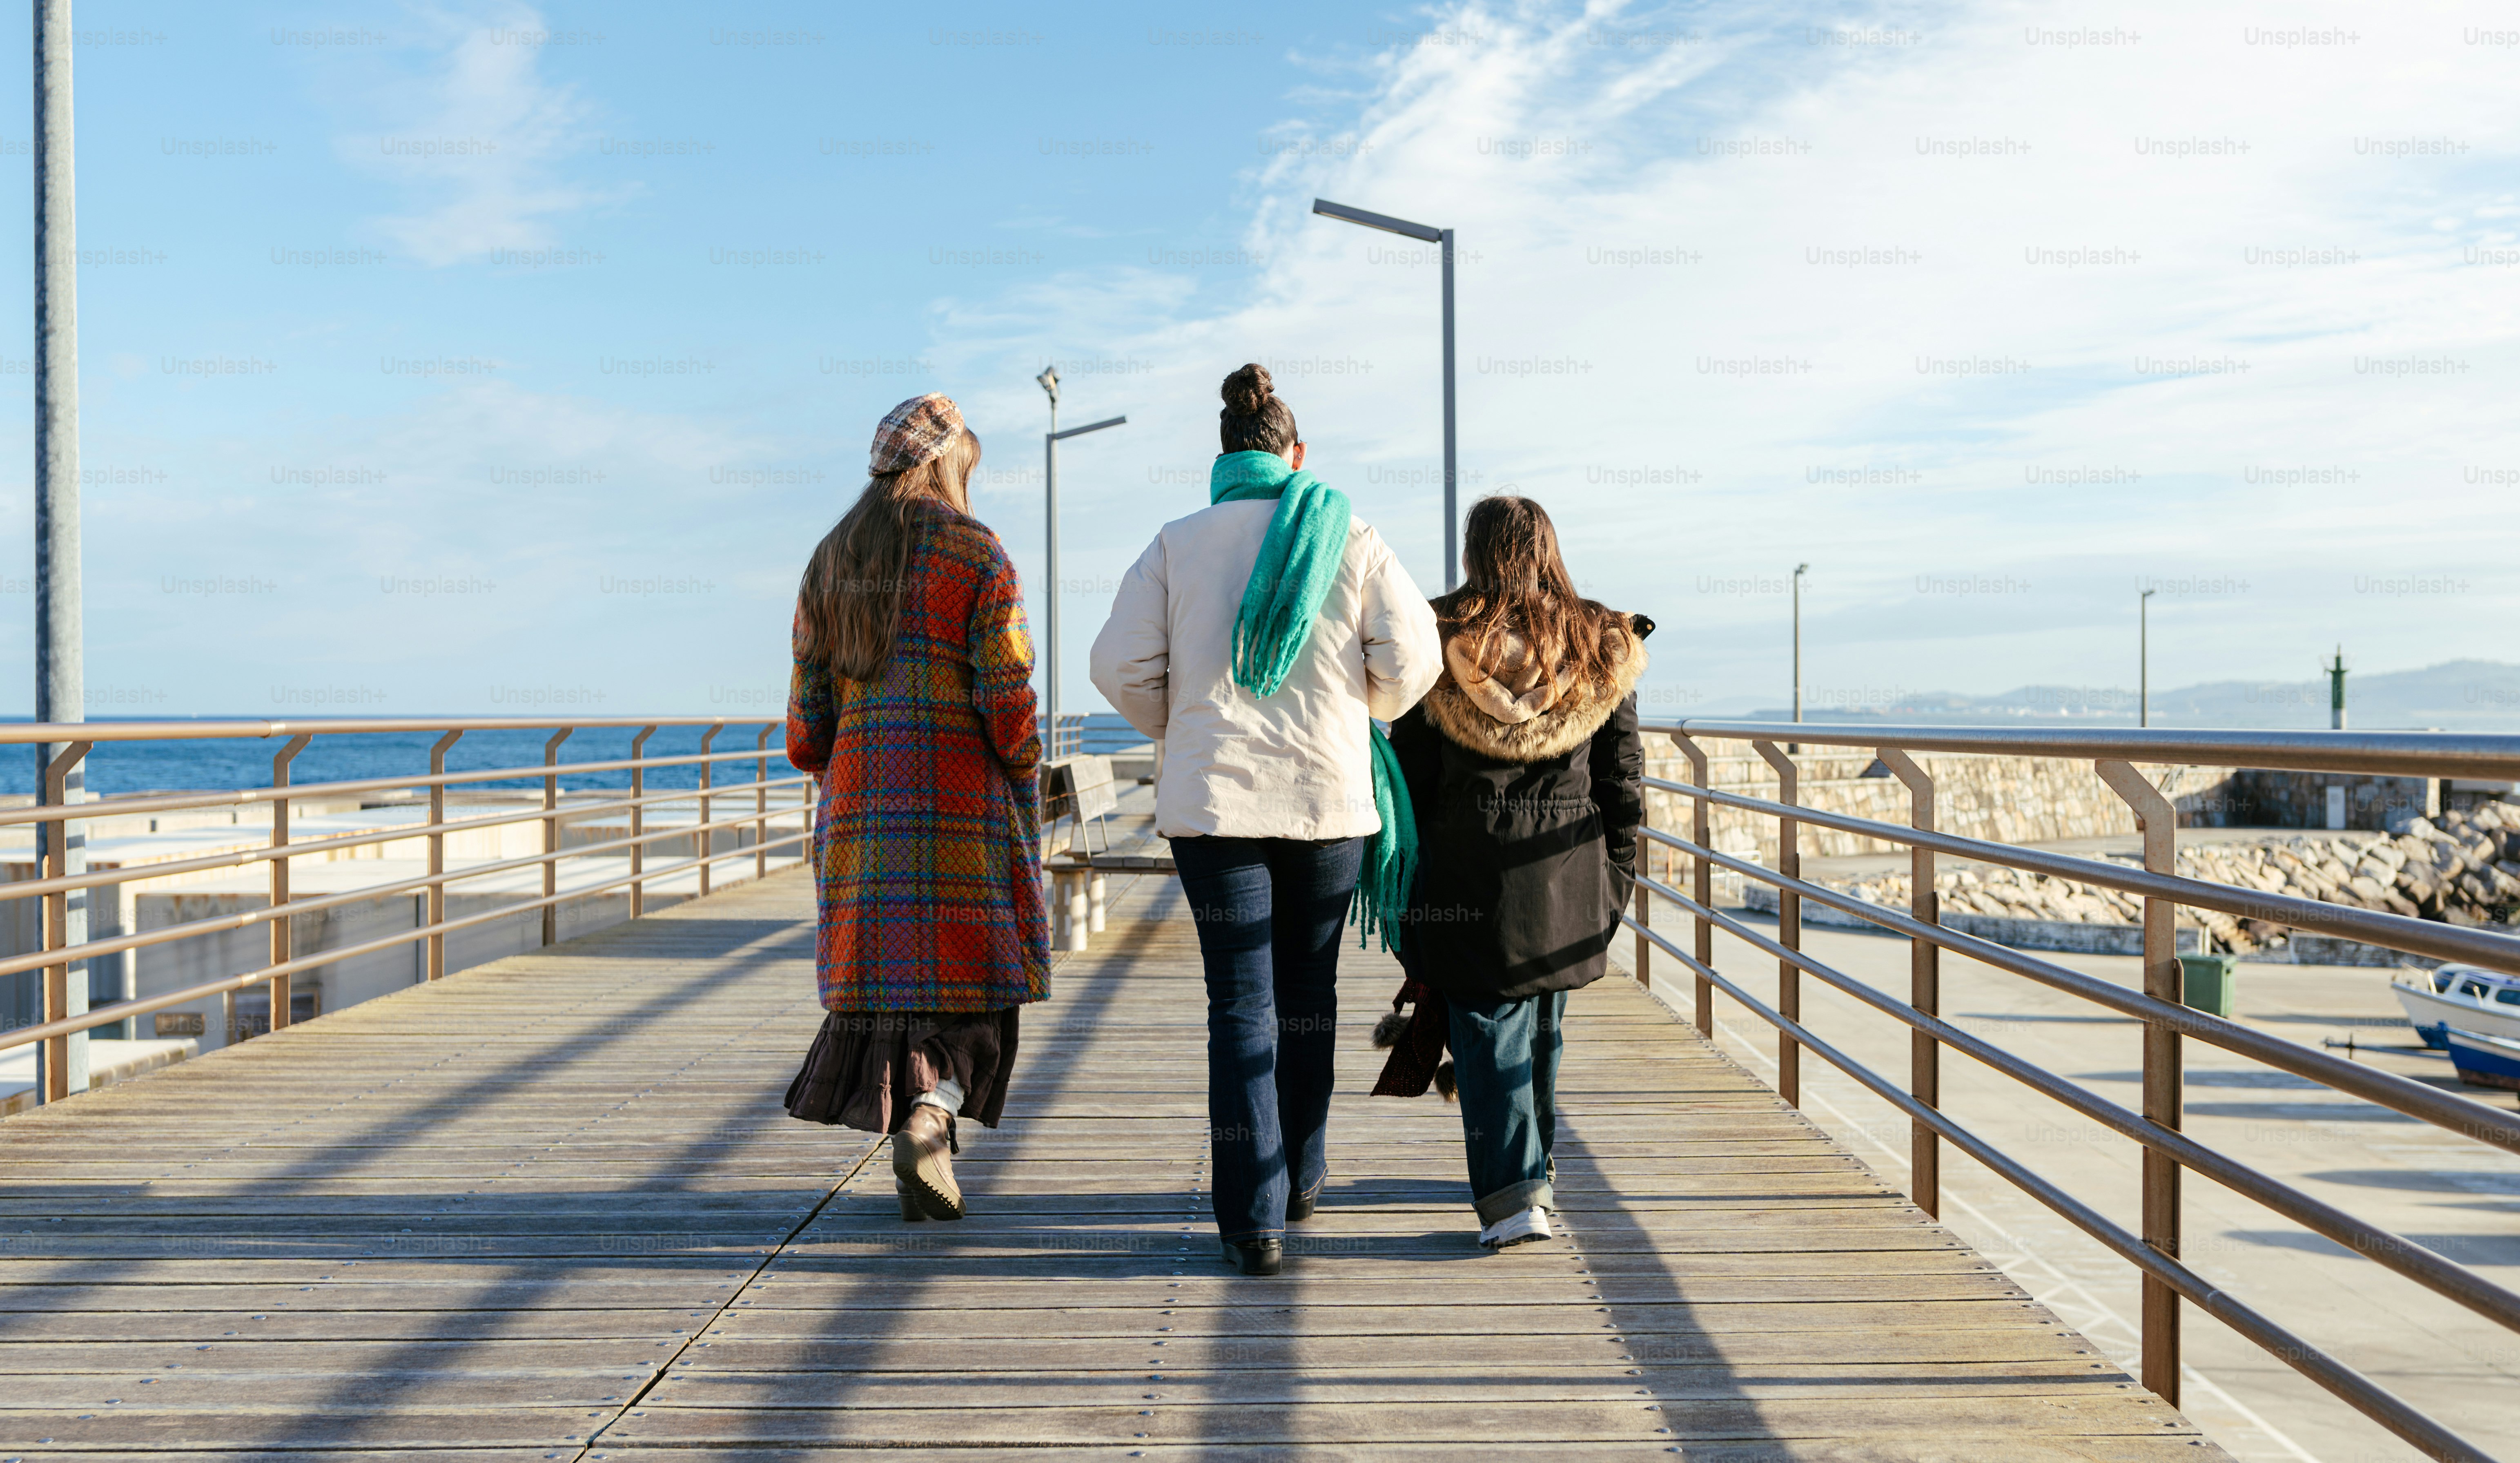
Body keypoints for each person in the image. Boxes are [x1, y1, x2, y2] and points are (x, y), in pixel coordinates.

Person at [1091, 363, 1441, 1276]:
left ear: (1223, 456)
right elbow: (1409, 660)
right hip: (1327, 803)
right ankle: (1303, 1178)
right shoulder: (1348, 532)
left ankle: (1251, 1221)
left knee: (1238, 1006)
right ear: (1295, 454)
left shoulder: (1175, 542)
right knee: (1309, 1000)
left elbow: (1118, 667)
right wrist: (1353, 709)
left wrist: (1190, 724)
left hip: (1213, 807)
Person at [782, 392, 1049, 1223]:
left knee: (893, 976)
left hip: (863, 806)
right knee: (976, 970)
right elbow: (1007, 693)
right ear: (941, 462)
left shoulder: (831, 558)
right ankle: (933, 1115)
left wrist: (852, 759)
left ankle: (916, 1119)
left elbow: (806, 724)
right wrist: (1024, 760)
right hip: (961, 802)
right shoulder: (977, 553)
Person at [1375, 495, 1647, 1250]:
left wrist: (1408, 884)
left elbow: (1410, 780)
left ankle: (1513, 1195)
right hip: (1564, 874)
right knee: (1542, 1027)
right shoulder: (1600, 643)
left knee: (1490, 1025)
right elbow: (1622, 780)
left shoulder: (1439, 646)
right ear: (1549, 552)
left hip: (1465, 877)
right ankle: (1535, 1172)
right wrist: (1615, 872)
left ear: (1474, 556)